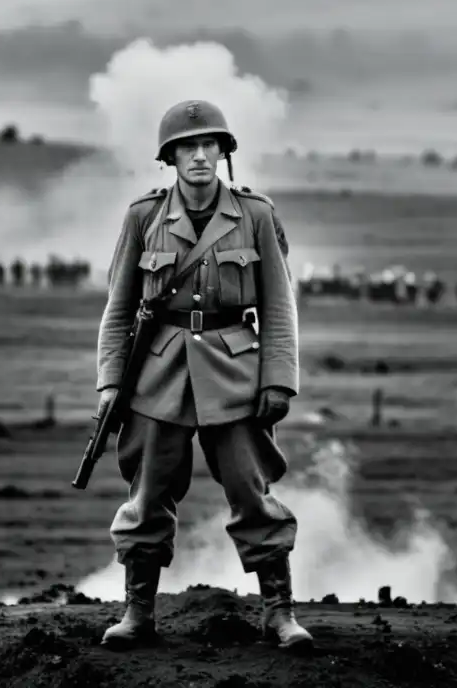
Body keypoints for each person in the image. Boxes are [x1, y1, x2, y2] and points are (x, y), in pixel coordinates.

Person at [94, 99, 311, 652]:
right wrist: (111, 382)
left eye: (207, 145)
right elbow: (119, 308)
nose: (197, 156)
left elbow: (280, 305)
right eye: (186, 147)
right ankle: (138, 613)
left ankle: (279, 613)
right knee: (146, 497)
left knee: (252, 493)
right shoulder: (144, 217)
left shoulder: (255, 214)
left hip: (234, 374)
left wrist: (278, 378)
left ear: (223, 152)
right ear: (169, 157)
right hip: (157, 374)